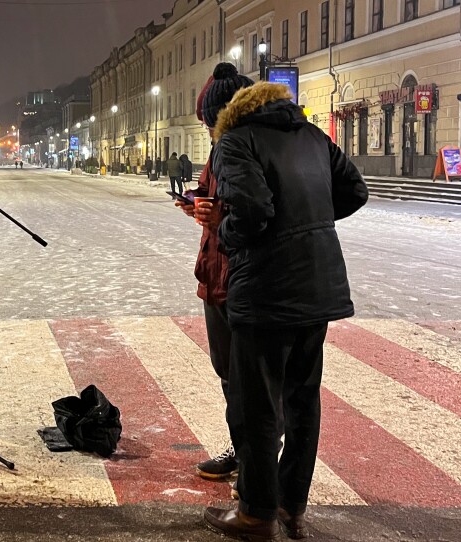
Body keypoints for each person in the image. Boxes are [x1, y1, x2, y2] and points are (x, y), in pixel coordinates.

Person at [203, 81, 368, 540]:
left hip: (267, 291)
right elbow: (355, 191)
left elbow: (253, 209)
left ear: (229, 115)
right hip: (319, 288)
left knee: (254, 407)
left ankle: (256, 513)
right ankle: (292, 505)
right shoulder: (314, 137)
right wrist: (306, 220)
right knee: (301, 402)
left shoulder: (235, 141)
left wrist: (228, 232)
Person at [175, 64, 253, 485]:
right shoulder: (218, 151)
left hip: (241, 278)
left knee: (249, 381)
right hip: (215, 274)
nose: (206, 130)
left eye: (209, 121)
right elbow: (216, 200)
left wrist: (217, 213)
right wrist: (198, 206)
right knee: (228, 374)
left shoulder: (244, 149)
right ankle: (242, 451)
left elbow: (255, 213)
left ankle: (255, 469)